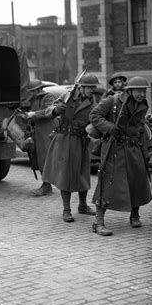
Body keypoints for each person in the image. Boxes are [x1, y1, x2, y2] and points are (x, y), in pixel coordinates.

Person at [89, 76, 152, 236]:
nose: (142, 94)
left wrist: (146, 146)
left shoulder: (143, 104)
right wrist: (109, 127)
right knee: (107, 182)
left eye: (143, 91)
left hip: (133, 146)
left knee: (137, 179)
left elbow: (139, 125)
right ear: (130, 90)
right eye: (139, 91)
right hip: (114, 146)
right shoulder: (113, 100)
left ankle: (135, 214)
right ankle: (98, 222)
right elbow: (94, 115)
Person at [41, 74, 99, 222]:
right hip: (65, 138)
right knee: (65, 174)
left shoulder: (92, 101)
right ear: (82, 87)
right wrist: (56, 110)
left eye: (94, 87)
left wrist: (93, 128)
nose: (93, 90)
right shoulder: (67, 96)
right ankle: (66, 209)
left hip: (81, 140)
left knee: (82, 172)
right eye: (90, 87)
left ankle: (83, 205)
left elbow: (95, 118)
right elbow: (48, 111)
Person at [24, 79, 56, 196]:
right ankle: (46, 184)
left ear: (38, 89)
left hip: (47, 130)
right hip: (37, 131)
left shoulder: (48, 97)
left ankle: (47, 185)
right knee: (38, 159)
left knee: (46, 159)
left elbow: (49, 111)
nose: (31, 93)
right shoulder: (33, 99)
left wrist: (34, 114)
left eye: (33, 91)